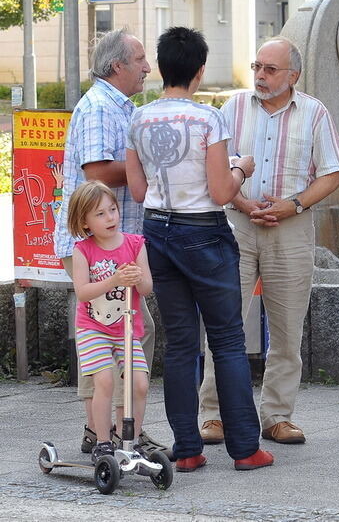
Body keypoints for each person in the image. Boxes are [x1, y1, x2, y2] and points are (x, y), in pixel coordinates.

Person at [126, 26, 272, 471]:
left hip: (158, 231)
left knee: (181, 343)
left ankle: (187, 449)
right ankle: (246, 449)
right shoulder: (208, 118)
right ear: (200, 70)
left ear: (162, 67)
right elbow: (222, 190)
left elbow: (136, 190)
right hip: (203, 231)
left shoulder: (139, 118)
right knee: (227, 340)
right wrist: (241, 167)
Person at [197, 36, 339, 445]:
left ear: (293, 75)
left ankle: (277, 416)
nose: (260, 76)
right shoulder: (233, 108)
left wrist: (293, 205)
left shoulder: (314, 113)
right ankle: (213, 415)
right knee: (223, 323)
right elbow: (214, 165)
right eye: (257, 66)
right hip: (235, 224)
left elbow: (332, 173)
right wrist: (243, 202)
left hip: (290, 228)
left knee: (286, 329)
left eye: (270, 69)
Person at [53, 28, 169, 458]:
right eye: (139, 58)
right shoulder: (102, 107)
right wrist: (152, 167)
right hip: (91, 244)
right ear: (117, 65)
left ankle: (110, 430)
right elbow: (97, 172)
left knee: (124, 328)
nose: (146, 67)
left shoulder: (120, 106)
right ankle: (116, 432)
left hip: (111, 243)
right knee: (112, 328)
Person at [66, 181, 153, 463]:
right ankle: (103, 441)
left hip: (126, 328)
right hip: (93, 328)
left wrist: (136, 278)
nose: (110, 218)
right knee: (104, 380)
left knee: (139, 383)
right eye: (100, 214)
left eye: (112, 210)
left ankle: (132, 439)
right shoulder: (83, 250)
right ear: (85, 222)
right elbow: (83, 292)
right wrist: (114, 280)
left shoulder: (134, 244)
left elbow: (147, 288)